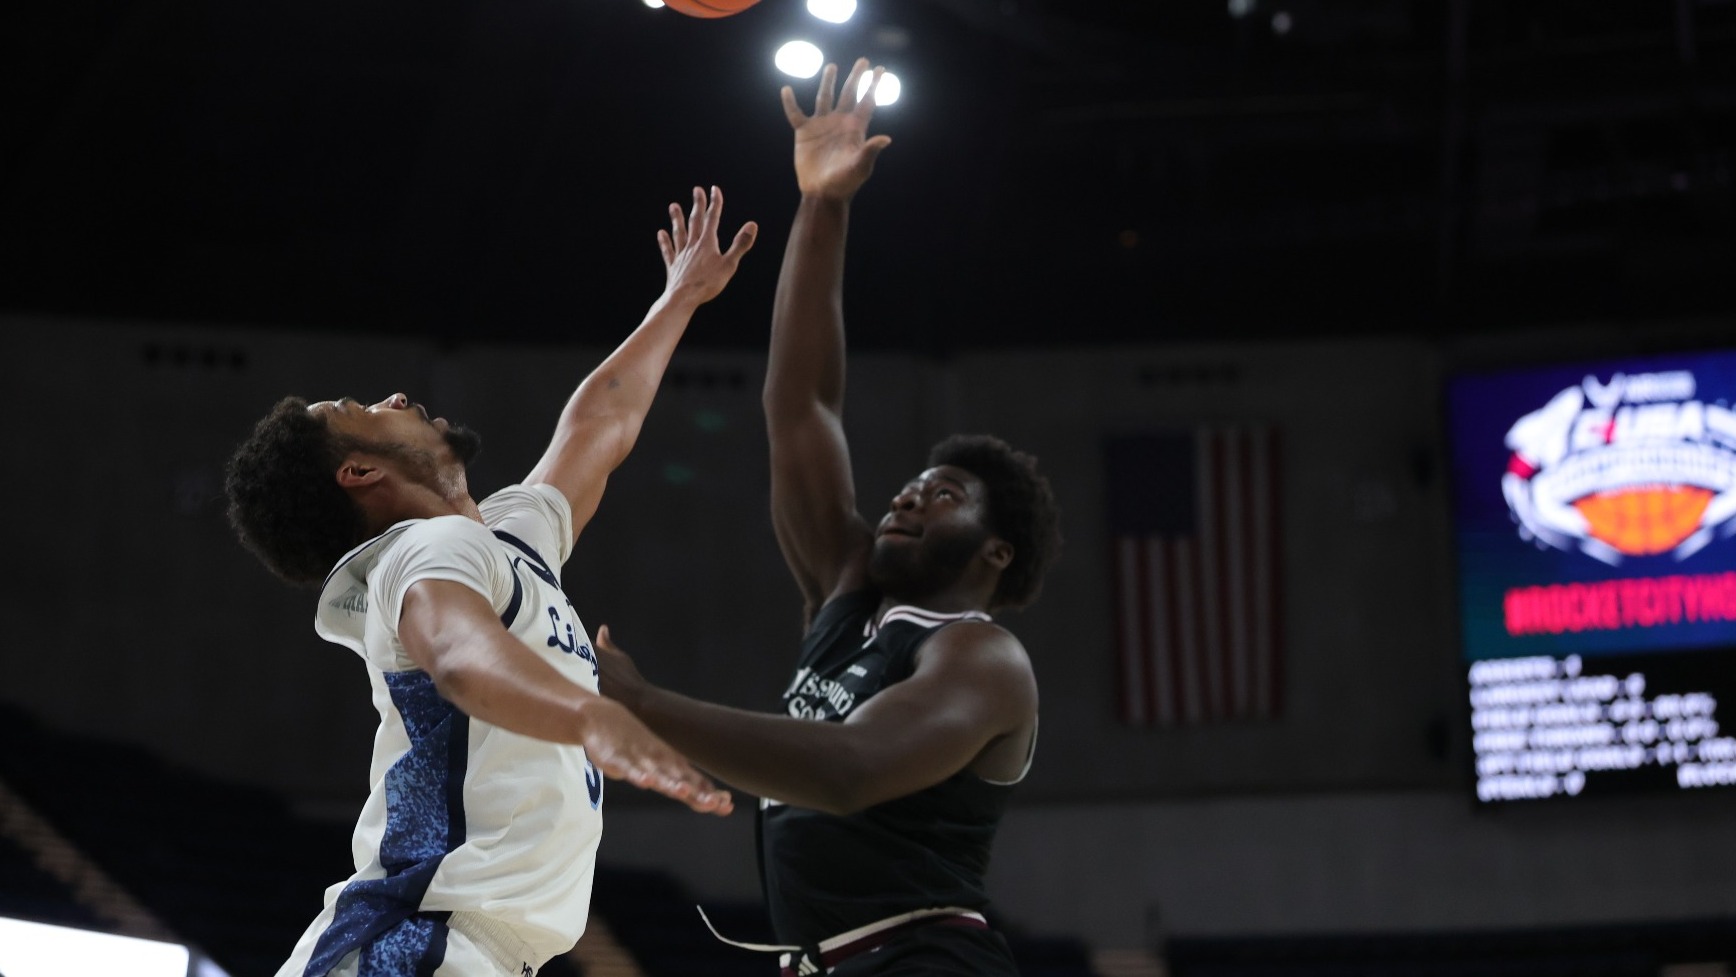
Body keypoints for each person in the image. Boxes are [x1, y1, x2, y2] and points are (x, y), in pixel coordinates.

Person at [594, 61, 1062, 976]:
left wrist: (644, 703)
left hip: (926, 957)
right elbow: (801, 402)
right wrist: (823, 203)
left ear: (996, 551)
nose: (909, 494)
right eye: (914, 481)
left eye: (946, 494)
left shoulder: (980, 656)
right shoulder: (848, 586)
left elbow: (849, 771)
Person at [224, 186, 754, 977]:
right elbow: (460, 655)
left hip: (462, 948)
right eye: (366, 408)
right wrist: (588, 714)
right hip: (419, 942)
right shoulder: (424, 550)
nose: (396, 396)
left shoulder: (500, 541)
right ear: (360, 469)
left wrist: (678, 300)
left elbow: (597, 429)